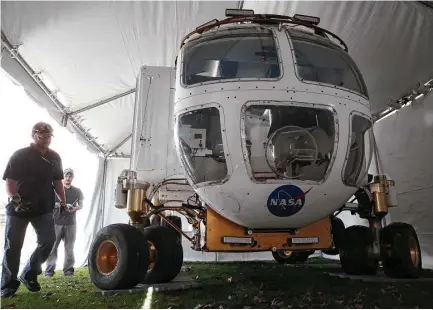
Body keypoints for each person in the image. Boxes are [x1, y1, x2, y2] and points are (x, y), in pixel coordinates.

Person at [1, 122, 66, 298]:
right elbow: (10, 181)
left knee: (48, 240)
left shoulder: (55, 157)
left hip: (43, 208)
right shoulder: (20, 155)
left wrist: (64, 201)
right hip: (19, 209)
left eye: (49, 136)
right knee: (13, 247)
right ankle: (7, 286)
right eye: (42, 136)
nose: (46, 139)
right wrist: (16, 200)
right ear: (34, 136)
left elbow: (57, 181)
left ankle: (29, 273)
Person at [45, 168, 84, 277]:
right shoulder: (55, 190)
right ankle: (49, 271)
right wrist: (62, 205)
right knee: (53, 247)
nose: (68, 178)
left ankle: (68, 270)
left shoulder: (77, 191)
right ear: (63, 177)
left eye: (70, 176)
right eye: (66, 176)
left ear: (72, 177)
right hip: (56, 223)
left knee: (69, 248)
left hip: (71, 224)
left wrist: (74, 208)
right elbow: (49, 204)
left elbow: (81, 205)